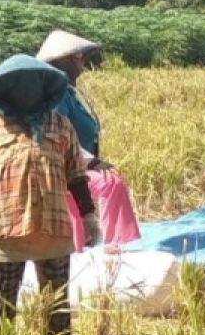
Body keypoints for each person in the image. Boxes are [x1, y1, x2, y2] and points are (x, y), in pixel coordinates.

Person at [0, 55, 100, 335]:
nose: (26, 89)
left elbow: (77, 176)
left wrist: (89, 216)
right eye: (19, 84)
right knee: (2, 301)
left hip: (53, 227)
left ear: (43, 86)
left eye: (32, 82)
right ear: (7, 88)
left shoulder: (60, 126)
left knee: (56, 301)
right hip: (7, 227)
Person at [36, 30, 141, 249]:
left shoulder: (67, 91)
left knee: (84, 196)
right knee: (111, 181)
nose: (82, 60)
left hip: (70, 166)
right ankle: (116, 246)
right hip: (60, 168)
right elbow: (57, 137)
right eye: (77, 56)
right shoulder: (57, 95)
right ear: (62, 60)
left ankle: (85, 244)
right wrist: (91, 162)